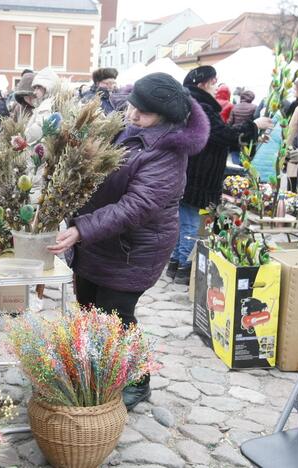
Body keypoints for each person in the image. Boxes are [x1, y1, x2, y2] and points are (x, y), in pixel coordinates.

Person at [48, 73, 210, 409]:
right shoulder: (123, 125)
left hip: (132, 249)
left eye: (144, 113)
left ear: (165, 118)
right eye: (133, 106)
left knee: (117, 316)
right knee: (91, 310)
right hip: (98, 240)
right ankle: (100, 371)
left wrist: (81, 229)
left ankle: (138, 381)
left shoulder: (168, 152)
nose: (133, 115)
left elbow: (136, 206)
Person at [168, 65, 273, 284]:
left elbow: (224, 137)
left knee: (183, 221)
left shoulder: (194, 103)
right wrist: (254, 125)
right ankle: (184, 268)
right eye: (214, 82)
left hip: (192, 173)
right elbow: (222, 134)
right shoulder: (200, 106)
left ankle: (175, 265)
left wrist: (250, 137)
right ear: (202, 84)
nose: (217, 86)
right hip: (197, 174)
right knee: (190, 223)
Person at [25, 67, 61, 143]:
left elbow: (36, 132)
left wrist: (25, 137)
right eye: (35, 88)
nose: (34, 92)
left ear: (48, 88)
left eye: (38, 88)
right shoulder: (50, 103)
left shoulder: (45, 106)